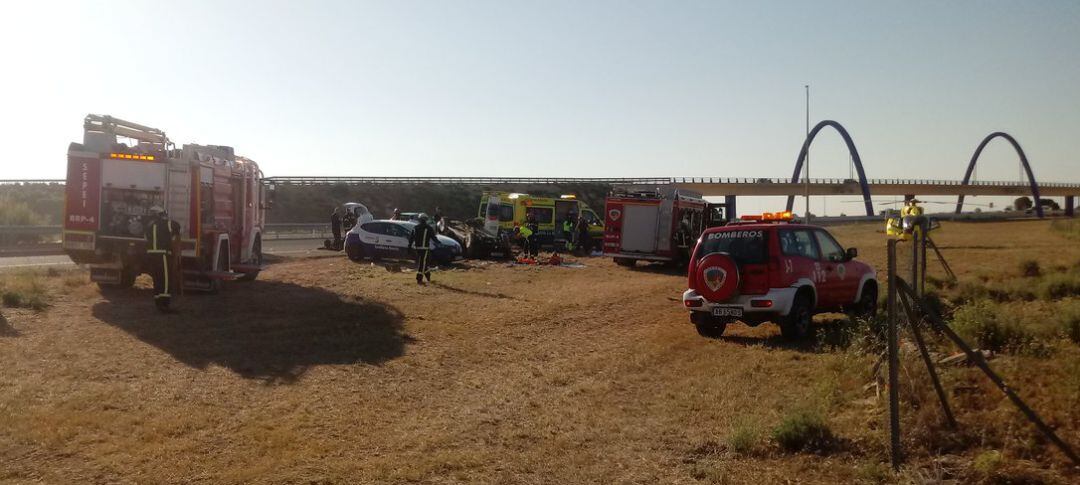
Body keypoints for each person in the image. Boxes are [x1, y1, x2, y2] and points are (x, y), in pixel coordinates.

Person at [144, 206, 181, 312]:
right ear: (162, 214)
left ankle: (158, 302)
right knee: (165, 279)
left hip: (152, 255)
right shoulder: (167, 223)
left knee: (157, 279)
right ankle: (165, 304)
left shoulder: (149, 225)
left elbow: (146, 238)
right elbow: (176, 227)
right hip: (163, 255)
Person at [409, 215, 438, 284]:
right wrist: (439, 243)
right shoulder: (428, 228)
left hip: (417, 248)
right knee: (423, 263)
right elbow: (433, 237)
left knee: (424, 263)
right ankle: (419, 279)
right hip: (424, 248)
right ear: (426, 220)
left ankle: (428, 277)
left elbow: (411, 238)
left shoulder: (415, 227)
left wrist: (409, 247)